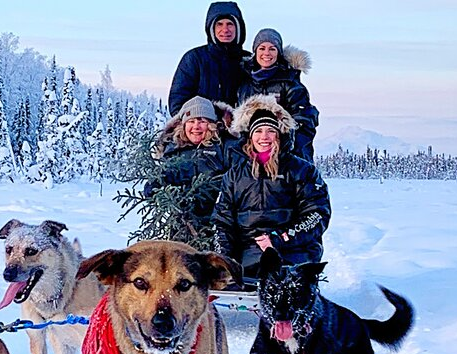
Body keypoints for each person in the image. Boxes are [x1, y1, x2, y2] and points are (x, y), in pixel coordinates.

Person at [213, 94, 331, 281]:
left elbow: (316, 215)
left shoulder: (302, 170)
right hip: (247, 255)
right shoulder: (235, 175)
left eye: (270, 131)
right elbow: (223, 222)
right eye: (258, 131)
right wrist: (224, 260)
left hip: (292, 252)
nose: (264, 137)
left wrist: (281, 238)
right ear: (250, 137)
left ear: (280, 134)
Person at [142, 96, 233, 247]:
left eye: (202, 121)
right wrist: (155, 186)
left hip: (219, 224)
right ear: (183, 125)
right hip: (183, 224)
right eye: (191, 121)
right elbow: (165, 177)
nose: (196, 126)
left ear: (212, 125)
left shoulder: (225, 147)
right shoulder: (173, 151)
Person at [237, 28, 319, 162]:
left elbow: (304, 119)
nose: (266, 53)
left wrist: (289, 145)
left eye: (272, 49)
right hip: (251, 151)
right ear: (255, 51)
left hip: (284, 150)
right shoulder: (244, 83)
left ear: (279, 53)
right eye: (262, 48)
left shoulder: (290, 82)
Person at [168, 2, 248, 116]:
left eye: (230, 24)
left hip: (240, 131)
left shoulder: (248, 61)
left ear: (238, 27)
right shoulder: (194, 59)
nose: (225, 30)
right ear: (211, 28)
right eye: (219, 24)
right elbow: (178, 101)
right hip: (204, 130)